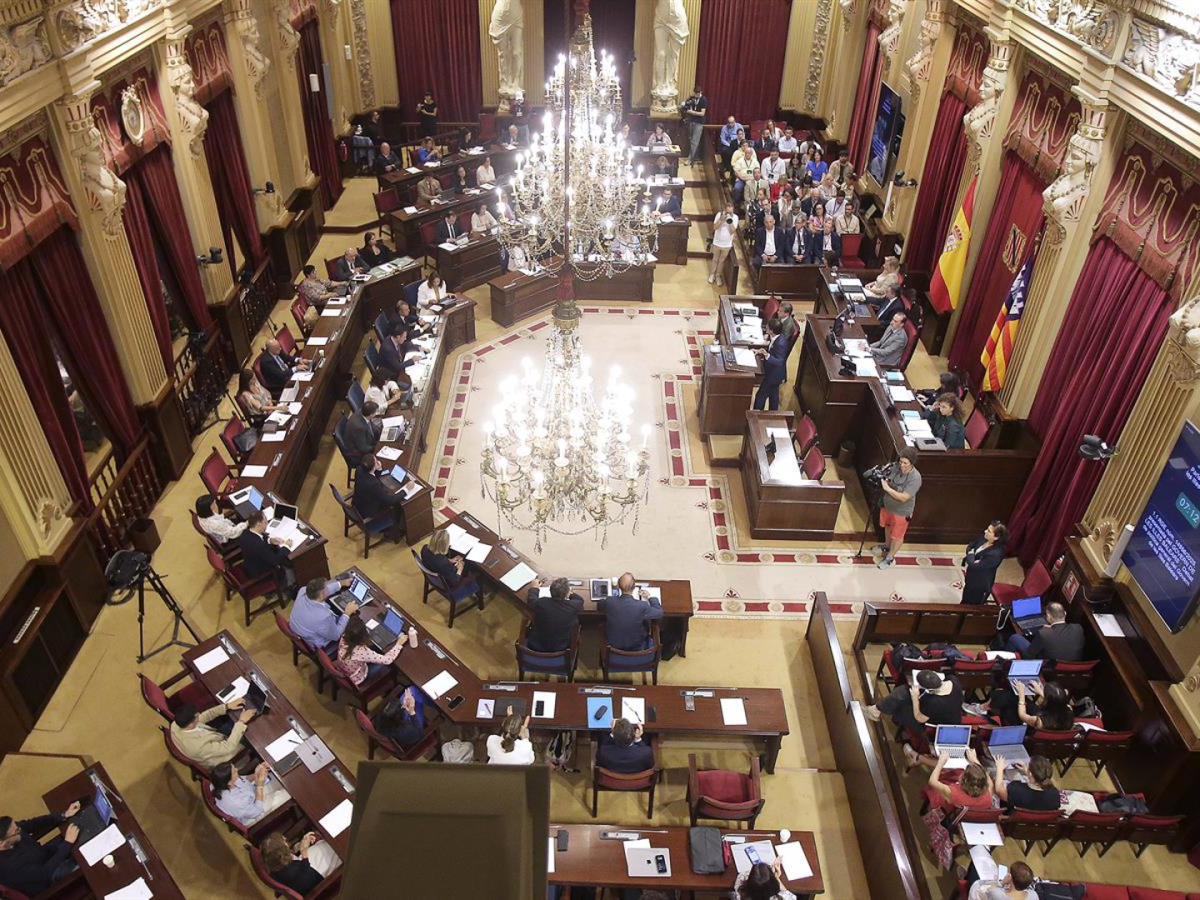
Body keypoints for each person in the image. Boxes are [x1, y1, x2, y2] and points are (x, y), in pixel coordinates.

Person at [0, 805, 81, 896]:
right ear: (2, 844)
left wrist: (63, 815)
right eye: (16, 831)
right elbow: (44, 874)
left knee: (79, 833)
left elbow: (32, 824)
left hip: (42, 855)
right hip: (48, 879)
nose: (20, 830)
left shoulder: (11, 830)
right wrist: (67, 844)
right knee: (82, 858)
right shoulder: (10, 867)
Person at [170, 699, 253, 767]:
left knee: (231, 722)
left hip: (215, 737)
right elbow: (228, 747)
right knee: (252, 734)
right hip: (223, 754)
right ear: (191, 723)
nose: (199, 714)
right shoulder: (198, 747)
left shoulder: (176, 724)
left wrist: (226, 706)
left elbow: (205, 716)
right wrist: (241, 721)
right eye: (197, 716)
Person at [875, 448, 921, 568]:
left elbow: (904, 497)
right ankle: (886, 546)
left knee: (897, 536)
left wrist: (887, 488)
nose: (902, 465)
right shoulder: (895, 467)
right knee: (887, 526)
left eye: (905, 463)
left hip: (901, 511)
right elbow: (887, 478)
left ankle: (890, 557)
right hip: (888, 506)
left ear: (912, 463)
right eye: (901, 462)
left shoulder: (915, 478)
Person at [210, 761, 290, 828]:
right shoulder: (235, 802)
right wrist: (260, 784)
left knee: (279, 776)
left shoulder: (224, 782)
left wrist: (257, 774)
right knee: (287, 793)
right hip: (253, 813)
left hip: (253, 794)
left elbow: (244, 780)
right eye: (234, 771)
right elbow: (257, 811)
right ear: (229, 783)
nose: (237, 770)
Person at [260, 831, 341, 895]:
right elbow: (304, 878)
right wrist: (304, 851)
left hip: (306, 866)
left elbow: (292, 859)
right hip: (314, 873)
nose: (286, 841)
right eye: (285, 843)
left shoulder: (274, 864)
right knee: (332, 847)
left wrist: (299, 847)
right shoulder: (291, 874)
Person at [598, 572, 663, 651]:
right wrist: (650, 597)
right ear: (634, 587)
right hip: (637, 649)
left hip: (614, 648)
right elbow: (659, 612)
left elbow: (600, 604)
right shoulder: (642, 606)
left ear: (618, 586)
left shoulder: (610, 602)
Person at [290, 575, 356, 651]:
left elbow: (321, 591)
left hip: (301, 629)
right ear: (322, 594)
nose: (328, 588)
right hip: (316, 643)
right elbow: (336, 635)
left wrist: (341, 583)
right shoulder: (323, 617)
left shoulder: (303, 590)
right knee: (354, 626)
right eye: (326, 588)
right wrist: (347, 613)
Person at [336, 614, 404, 686]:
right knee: (389, 665)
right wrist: (399, 644)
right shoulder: (361, 651)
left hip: (346, 669)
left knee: (374, 650)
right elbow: (387, 660)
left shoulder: (344, 637)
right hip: (359, 677)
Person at [1005, 601, 1085, 660]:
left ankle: (1004, 663)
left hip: (1046, 666)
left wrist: (1047, 631)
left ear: (1049, 617)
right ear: (1065, 613)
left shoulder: (1044, 633)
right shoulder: (1078, 628)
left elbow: (1028, 656)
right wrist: (1051, 629)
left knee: (1015, 638)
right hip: (1070, 666)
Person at [421, 529, 481, 604]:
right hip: (448, 585)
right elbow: (454, 582)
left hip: (434, 570)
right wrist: (460, 569)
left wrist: (450, 560)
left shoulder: (424, 549)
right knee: (471, 567)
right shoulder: (444, 564)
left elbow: (436, 559)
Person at [235, 511, 295, 586]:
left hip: (249, 564)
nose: (267, 524)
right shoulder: (259, 545)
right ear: (258, 524)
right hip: (260, 572)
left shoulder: (246, 533)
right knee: (286, 564)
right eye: (265, 522)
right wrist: (287, 546)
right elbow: (275, 560)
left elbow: (260, 539)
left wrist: (270, 540)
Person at [526, 576, 584, 652]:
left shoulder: (542, 603)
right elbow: (580, 600)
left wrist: (534, 588)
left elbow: (531, 599)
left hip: (535, 646)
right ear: (567, 594)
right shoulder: (573, 606)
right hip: (561, 648)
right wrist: (570, 593)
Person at [353, 454, 407, 529]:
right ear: (373, 467)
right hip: (368, 511)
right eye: (376, 461)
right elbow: (389, 500)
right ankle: (395, 528)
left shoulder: (359, 469)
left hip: (358, 502)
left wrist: (379, 469)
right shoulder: (373, 484)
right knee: (397, 504)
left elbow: (373, 477)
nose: (378, 462)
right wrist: (405, 490)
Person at [961, 521, 1007, 605]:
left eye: (989, 531)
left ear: (996, 537)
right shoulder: (984, 538)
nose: (985, 531)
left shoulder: (996, 554)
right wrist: (972, 554)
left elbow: (974, 565)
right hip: (971, 578)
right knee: (965, 599)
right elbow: (971, 545)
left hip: (979, 584)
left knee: (972, 606)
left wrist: (971, 556)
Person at [992, 754, 1058, 812]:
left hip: (1013, 817)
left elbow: (999, 790)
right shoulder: (1055, 794)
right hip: (1036, 820)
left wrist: (999, 768)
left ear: (1031, 774)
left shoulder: (1016, 789)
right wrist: (1028, 772)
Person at [753, 317, 787, 411]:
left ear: (772, 330)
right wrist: (761, 351)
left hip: (773, 375)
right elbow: (771, 349)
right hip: (775, 374)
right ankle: (773, 413)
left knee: (760, 396)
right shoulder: (776, 337)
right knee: (773, 395)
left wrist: (767, 355)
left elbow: (780, 361)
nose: (766, 328)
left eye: (767, 327)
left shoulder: (780, 343)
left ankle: (756, 414)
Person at [968, 861, 1037, 900]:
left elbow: (978, 890)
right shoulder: (1034, 896)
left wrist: (1001, 882)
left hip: (980, 892)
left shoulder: (997, 893)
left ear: (1010, 877)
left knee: (975, 867)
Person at [709, 203, 738, 284]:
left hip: (727, 244)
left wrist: (730, 221)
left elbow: (732, 231)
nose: (729, 214)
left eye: (730, 212)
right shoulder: (719, 215)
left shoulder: (735, 217)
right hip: (717, 242)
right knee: (715, 259)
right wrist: (721, 220)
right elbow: (714, 227)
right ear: (724, 209)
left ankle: (718, 275)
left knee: (721, 261)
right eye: (727, 212)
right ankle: (712, 274)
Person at [680, 86, 707, 165]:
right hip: (692, 121)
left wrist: (691, 112)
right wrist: (684, 105)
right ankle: (693, 157)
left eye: (697, 94)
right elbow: (684, 105)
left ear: (700, 92)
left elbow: (702, 113)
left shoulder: (703, 100)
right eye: (695, 93)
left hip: (699, 123)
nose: (696, 95)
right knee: (691, 140)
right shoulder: (692, 98)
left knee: (695, 142)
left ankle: (690, 159)